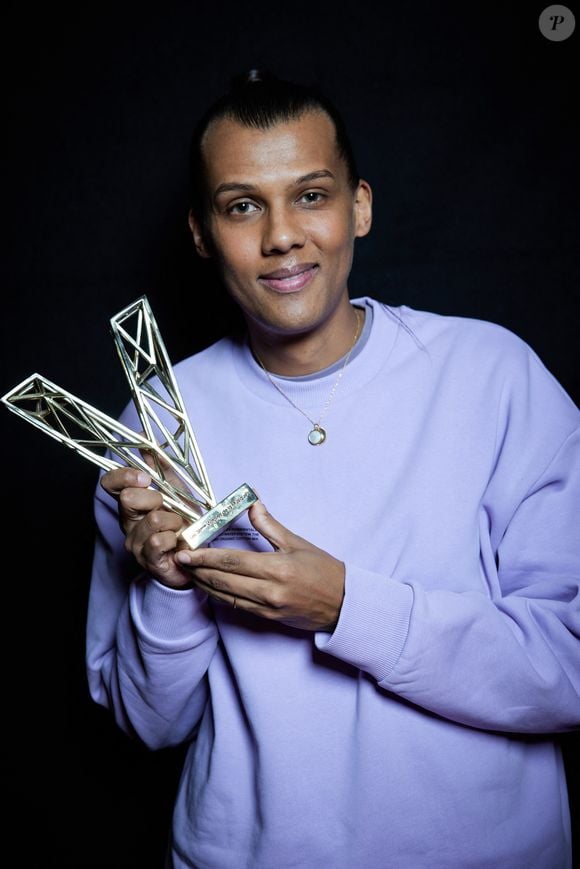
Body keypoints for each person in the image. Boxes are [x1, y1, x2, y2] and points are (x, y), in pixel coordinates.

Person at [86, 69, 580, 868]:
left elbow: (571, 665)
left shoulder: (494, 375)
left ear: (360, 207)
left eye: (311, 195)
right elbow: (147, 725)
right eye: (243, 205)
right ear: (202, 233)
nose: (281, 234)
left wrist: (348, 606)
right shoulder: (156, 423)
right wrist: (167, 585)